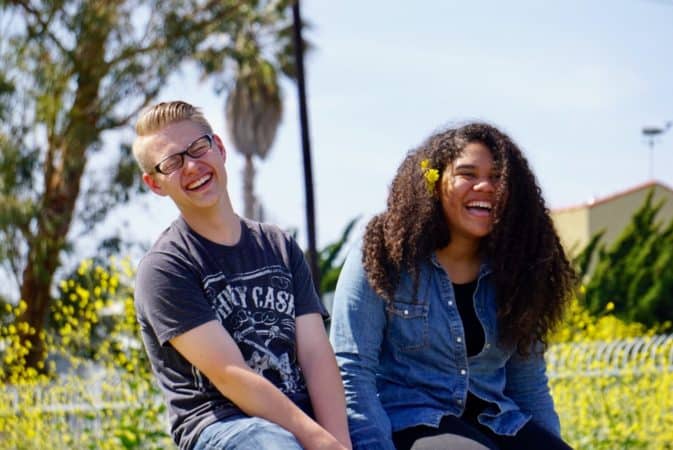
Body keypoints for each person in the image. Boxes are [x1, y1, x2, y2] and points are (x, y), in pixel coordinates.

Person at [329, 123, 576, 450]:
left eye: (498, 177)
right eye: (468, 174)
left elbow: (528, 385)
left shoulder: (517, 270)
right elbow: (352, 370)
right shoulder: (383, 255)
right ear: (434, 183)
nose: (486, 186)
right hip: (409, 420)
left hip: (496, 420)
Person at [132, 101, 351, 450]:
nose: (192, 166)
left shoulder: (279, 245)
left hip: (301, 413)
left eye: (198, 148)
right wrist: (320, 443)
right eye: (172, 163)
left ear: (218, 147)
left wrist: (339, 441)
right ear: (155, 184)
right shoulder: (165, 268)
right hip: (225, 426)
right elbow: (231, 375)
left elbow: (314, 352)